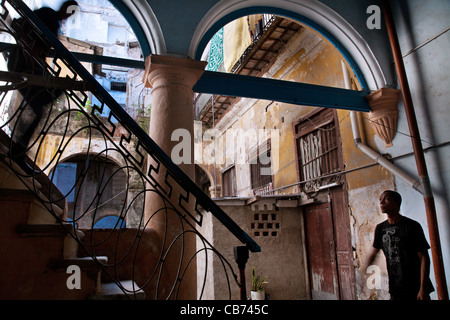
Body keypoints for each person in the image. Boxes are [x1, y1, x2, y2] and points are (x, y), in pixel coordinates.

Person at [6, 1, 78, 169]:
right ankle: (18, 147)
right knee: (41, 106)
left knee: (42, 105)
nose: (68, 16)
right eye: (70, 12)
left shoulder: (54, 22)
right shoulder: (49, 16)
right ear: (66, 10)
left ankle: (18, 147)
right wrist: (30, 51)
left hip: (28, 67)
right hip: (23, 64)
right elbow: (25, 27)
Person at [364, 190, 434, 300]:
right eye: (380, 199)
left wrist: (423, 288)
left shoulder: (412, 226)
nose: (381, 202)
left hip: (415, 287)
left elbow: (424, 258)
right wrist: (364, 269)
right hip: (395, 287)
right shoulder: (380, 229)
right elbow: (374, 252)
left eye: (386, 199)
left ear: (397, 203)